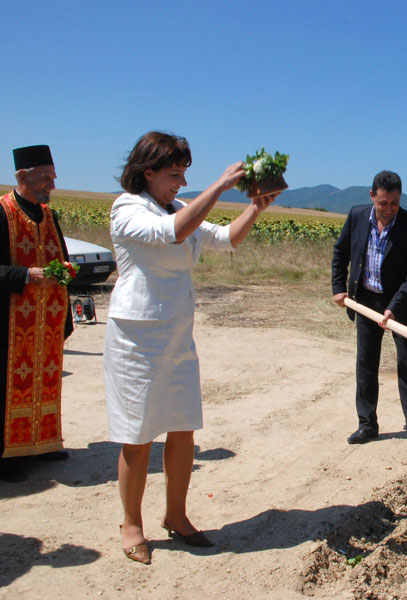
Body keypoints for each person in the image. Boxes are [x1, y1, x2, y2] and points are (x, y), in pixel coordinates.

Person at [105, 131, 277, 564]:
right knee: (138, 434)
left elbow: (226, 238)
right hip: (137, 340)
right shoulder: (127, 207)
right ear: (148, 172)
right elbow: (173, 233)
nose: (182, 183)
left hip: (178, 336)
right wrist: (218, 186)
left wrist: (255, 208)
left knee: (182, 428)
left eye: (184, 174)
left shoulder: (179, 207)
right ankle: (131, 524)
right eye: (174, 174)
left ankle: (176, 515)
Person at [331, 170, 407, 455]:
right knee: (366, 364)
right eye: (383, 202)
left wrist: (393, 308)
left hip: (402, 304)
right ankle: (367, 425)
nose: (389, 209)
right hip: (365, 300)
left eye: (395, 203)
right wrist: (339, 287)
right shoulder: (357, 216)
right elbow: (341, 252)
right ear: (372, 196)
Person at [0, 145, 73, 483]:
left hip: (48, 320)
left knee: (47, 381)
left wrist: (65, 280)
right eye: (45, 178)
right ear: (22, 176)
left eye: (53, 177)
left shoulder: (49, 215)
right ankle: (5, 455)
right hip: (10, 320)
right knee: (7, 387)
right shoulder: (3, 212)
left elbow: (62, 259)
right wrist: (27, 275)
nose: (52, 185)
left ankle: (42, 443)